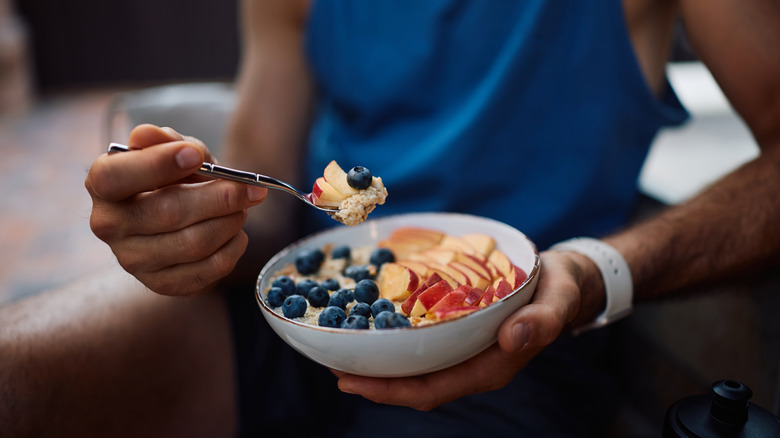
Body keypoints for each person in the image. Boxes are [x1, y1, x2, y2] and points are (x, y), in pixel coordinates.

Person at [2, 0, 779, 436]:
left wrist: (596, 271)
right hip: (291, 322)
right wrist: (197, 225)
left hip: (508, 350)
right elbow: (268, 213)